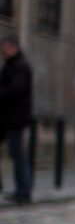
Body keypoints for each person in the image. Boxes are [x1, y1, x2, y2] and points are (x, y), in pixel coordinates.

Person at [0, 35, 33, 204]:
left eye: (5, 47)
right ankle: (21, 190)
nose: (3, 51)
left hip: (15, 118)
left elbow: (16, 90)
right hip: (8, 117)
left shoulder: (19, 66)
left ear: (14, 48)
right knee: (17, 154)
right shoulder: (12, 65)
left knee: (18, 154)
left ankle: (24, 191)